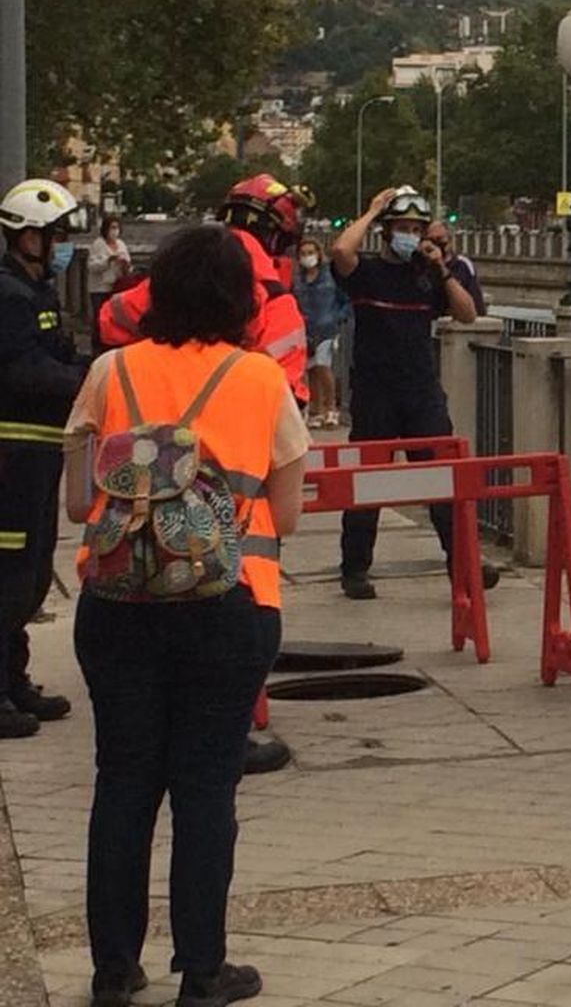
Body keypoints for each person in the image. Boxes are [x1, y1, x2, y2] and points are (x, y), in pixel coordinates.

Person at [63, 224, 308, 1007]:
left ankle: (113, 970)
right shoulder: (261, 379)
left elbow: (77, 501)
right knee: (205, 789)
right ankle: (203, 972)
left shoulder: (110, 371)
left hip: (114, 607)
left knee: (123, 781)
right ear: (242, 299)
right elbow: (287, 515)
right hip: (227, 606)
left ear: (156, 292)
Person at [329, 186, 486, 601]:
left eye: (417, 229)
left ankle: (463, 563)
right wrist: (373, 210)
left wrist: (441, 269)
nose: (410, 236)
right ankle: (355, 567)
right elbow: (341, 250)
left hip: (421, 392)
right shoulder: (367, 274)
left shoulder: (427, 277)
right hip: (375, 393)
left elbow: (468, 314)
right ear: (386, 231)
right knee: (366, 482)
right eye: (403, 228)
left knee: (444, 479)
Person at [0, 179, 88, 739]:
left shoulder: (36, 293)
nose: (61, 245)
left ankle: (14, 680)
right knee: (8, 575)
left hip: (38, 453)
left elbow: (53, 355)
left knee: (31, 576)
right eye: (54, 235)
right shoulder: (7, 296)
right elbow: (24, 371)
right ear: (26, 237)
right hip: (10, 455)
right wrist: (85, 380)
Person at [99, 173, 309, 406]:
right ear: (276, 237)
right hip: (234, 421)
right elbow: (286, 396)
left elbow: (110, 321)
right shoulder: (277, 304)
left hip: (157, 416)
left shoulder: (177, 276)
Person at [291, 237, 349, 429]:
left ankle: (331, 408)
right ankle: (316, 409)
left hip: (327, 328)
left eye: (311, 252)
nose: (307, 257)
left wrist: (339, 317)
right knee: (311, 370)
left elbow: (345, 299)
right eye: (303, 253)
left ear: (318, 254)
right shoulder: (297, 280)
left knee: (324, 366)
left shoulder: (330, 276)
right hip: (305, 330)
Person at [86, 216, 132, 353]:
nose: (114, 231)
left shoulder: (121, 244)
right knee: (99, 319)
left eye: (116, 228)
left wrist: (125, 265)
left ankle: (110, 345)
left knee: (113, 319)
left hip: (116, 287)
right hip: (99, 288)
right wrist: (108, 261)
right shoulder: (98, 244)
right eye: (112, 228)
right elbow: (92, 266)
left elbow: (129, 264)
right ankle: (97, 348)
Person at [425, 220, 487, 315]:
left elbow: (477, 307)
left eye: (439, 239)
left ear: (450, 240)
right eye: (431, 240)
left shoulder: (463, 265)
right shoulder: (420, 265)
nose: (436, 244)